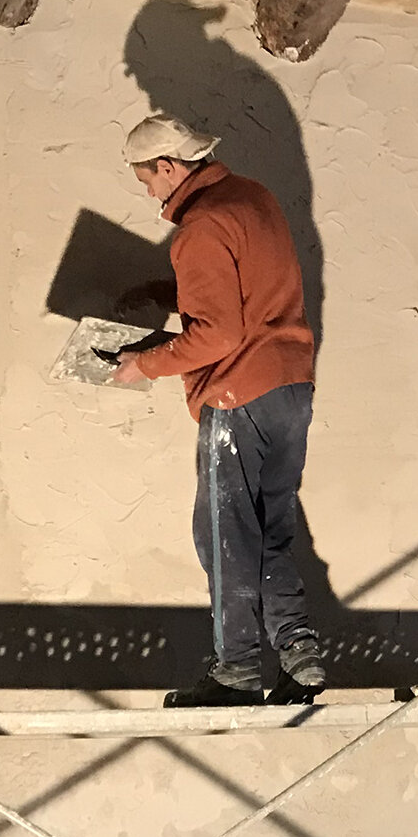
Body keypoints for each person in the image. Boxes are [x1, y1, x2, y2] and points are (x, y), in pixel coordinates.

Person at [113, 114, 326, 706]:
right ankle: (301, 658)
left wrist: (144, 363)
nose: (148, 193)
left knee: (225, 535)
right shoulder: (252, 199)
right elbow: (245, 291)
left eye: (146, 180)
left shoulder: (199, 229)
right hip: (290, 389)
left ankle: (236, 669)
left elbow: (216, 336)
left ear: (168, 167)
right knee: (270, 532)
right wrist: (165, 293)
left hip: (237, 395)